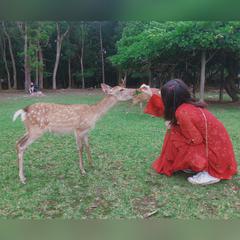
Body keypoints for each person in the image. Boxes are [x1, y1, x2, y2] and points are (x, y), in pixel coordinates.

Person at [140, 79, 237, 185]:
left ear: (168, 99)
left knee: (174, 133)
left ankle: (210, 173)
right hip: (220, 152)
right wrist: (151, 94)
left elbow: (196, 140)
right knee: (174, 130)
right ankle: (197, 165)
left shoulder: (182, 112)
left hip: (216, 158)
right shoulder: (188, 106)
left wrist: (175, 128)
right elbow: (169, 110)